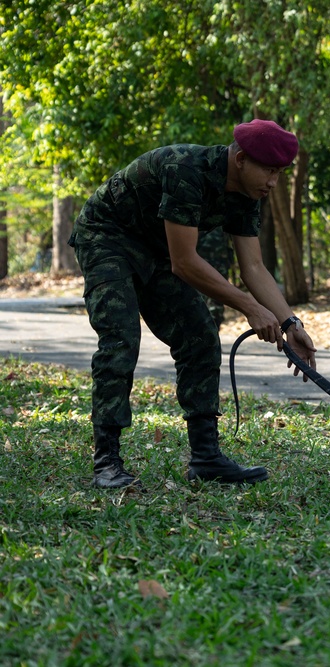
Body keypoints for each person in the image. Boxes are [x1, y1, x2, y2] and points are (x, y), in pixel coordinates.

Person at [69, 119, 317, 488]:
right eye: (268, 170)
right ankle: (107, 461)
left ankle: (205, 458)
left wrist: (289, 323)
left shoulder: (248, 195)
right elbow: (184, 261)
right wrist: (249, 307)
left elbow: (253, 266)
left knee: (200, 335)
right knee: (120, 338)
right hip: (108, 237)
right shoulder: (186, 169)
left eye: (279, 173)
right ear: (241, 159)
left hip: (158, 251)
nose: (272, 182)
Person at [196, 226, 234, 329]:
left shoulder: (221, 219)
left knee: (218, 297)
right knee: (199, 297)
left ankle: (213, 328)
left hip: (219, 263)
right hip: (201, 264)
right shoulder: (200, 219)